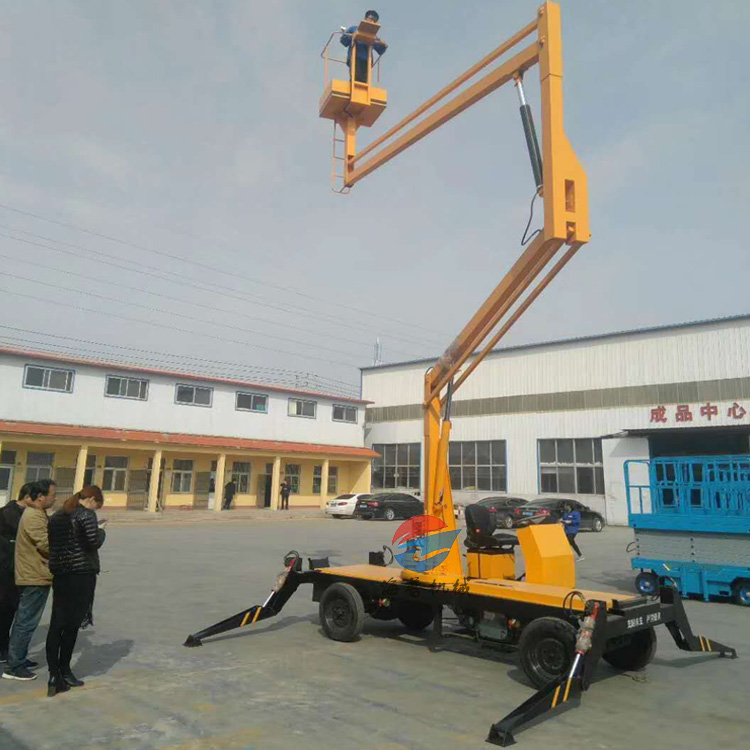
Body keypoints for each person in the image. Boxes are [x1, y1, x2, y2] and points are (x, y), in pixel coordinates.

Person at [46, 485, 106, 696]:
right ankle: (65, 670)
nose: (95, 507)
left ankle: (54, 675)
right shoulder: (86, 515)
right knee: (71, 625)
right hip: (81, 574)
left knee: (57, 623)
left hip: (61, 574)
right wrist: (102, 531)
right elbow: (93, 543)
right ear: (91, 500)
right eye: (96, 504)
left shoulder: (57, 515)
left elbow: (51, 544)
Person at [2, 479, 57, 681]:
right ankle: (14, 666)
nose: (54, 498)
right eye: (52, 494)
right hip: (34, 574)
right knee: (25, 621)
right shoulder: (34, 516)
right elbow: (46, 545)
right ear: (40, 496)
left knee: (26, 621)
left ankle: (18, 658)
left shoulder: (38, 513)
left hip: (35, 572)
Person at [0, 483, 32, 663]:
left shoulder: (22, 513)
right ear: (28, 497)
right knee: (5, 610)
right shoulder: (9, 514)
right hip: (6, 570)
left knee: (10, 610)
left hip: (15, 570)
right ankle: (3, 650)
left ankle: (8, 649)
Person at [341, 10, 387, 84]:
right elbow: (343, 41)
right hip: (355, 57)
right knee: (355, 78)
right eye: (370, 18)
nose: (371, 21)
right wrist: (352, 36)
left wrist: (383, 45)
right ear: (365, 18)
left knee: (364, 81)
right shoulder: (354, 29)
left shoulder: (373, 36)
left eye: (374, 20)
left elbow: (380, 50)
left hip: (367, 61)